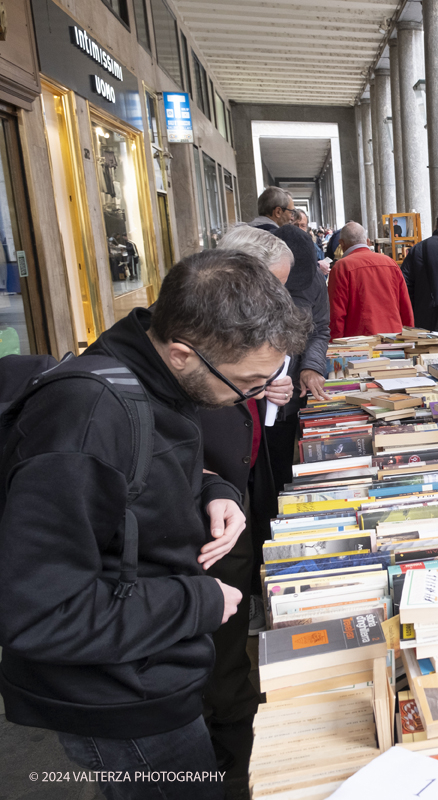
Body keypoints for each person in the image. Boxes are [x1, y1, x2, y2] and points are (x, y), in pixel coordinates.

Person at [0, 250, 311, 800]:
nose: (252, 398)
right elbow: (39, 611)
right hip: (117, 695)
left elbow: (144, 476)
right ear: (182, 353)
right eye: (247, 384)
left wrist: (212, 490)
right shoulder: (84, 424)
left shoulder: (156, 377)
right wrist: (198, 604)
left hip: (153, 662)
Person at [199, 226, 296, 799]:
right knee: (222, 639)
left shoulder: (229, 336)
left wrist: (268, 391)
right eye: (272, 288)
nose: (277, 302)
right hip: (208, 528)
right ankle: (228, 753)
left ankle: (233, 728)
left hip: (233, 487)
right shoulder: (192, 349)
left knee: (231, 635)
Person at [263, 224, 331, 496]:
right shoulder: (255, 279)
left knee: (279, 470)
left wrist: (311, 366)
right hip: (252, 393)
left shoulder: (315, 280)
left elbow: (320, 329)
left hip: (289, 396)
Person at [328, 221, 414, 339]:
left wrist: (335, 345)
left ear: (341, 243)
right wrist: (409, 338)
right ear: (367, 241)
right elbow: (405, 305)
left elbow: (336, 314)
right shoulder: (390, 263)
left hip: (358, 343)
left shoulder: (341, 267)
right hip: (394, 338)